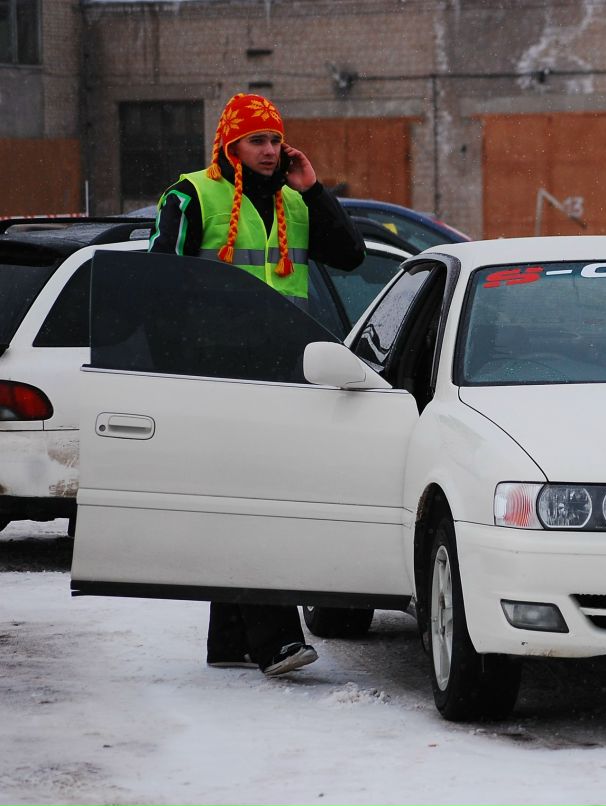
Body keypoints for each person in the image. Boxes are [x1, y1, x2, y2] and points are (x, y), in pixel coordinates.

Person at [148, 92, 365, 677]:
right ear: (230, 144)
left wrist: (315, 188)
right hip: (219, 375)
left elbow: (350, 255)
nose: (269, 151)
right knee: (257, 502)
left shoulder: (294, 201)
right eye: (256, 141)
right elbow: (158, 284)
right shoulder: (192, 193)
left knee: (246, 500)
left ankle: (231, 639)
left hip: (280, 371)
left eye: (274, 140)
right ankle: (274, 639)